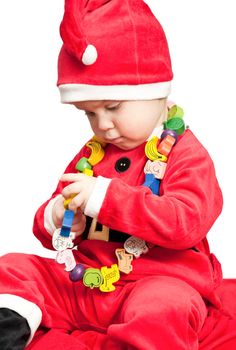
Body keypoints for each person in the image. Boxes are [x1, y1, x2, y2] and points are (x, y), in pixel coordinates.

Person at [0, 0, 225, 349]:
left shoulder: (185, 153)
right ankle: (11, 327)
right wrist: (59, 216)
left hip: (156, 282)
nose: (103, 125)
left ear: (157, 92)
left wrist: (106, 198)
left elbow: (186, 222)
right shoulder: (93, 153)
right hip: (87, 285)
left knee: (167, 306)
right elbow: (54, 217)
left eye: (114, 107)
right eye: (89, 114)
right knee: (14, 267)